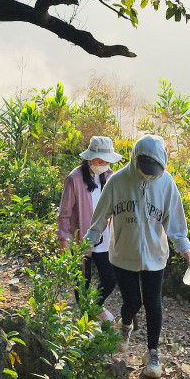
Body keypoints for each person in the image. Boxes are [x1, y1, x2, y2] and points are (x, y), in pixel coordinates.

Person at [85, 134, 190, 379]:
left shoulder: (167, 184)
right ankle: (126, 324)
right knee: (132, 302)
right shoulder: (118, 181)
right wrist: (89, 243)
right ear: (135, 159)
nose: (149, 174)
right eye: (144, 168)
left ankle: (152, 353)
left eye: (154, 169)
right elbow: (100, 217)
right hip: (124, 255)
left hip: (155, 256)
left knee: (154, 303)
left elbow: (175, 223)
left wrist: (186, 251)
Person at [58, 136, 123, 322]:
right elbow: (64, 215)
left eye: (106, 162)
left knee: (110, 278)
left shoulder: (110, 177)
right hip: (81, 239)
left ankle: (96, 307)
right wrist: (64, 241)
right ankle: (85, 323)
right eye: (99, 161)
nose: (103, 165)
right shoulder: (74, 179)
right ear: (89, 159)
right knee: (82, 283)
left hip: (105, 237)